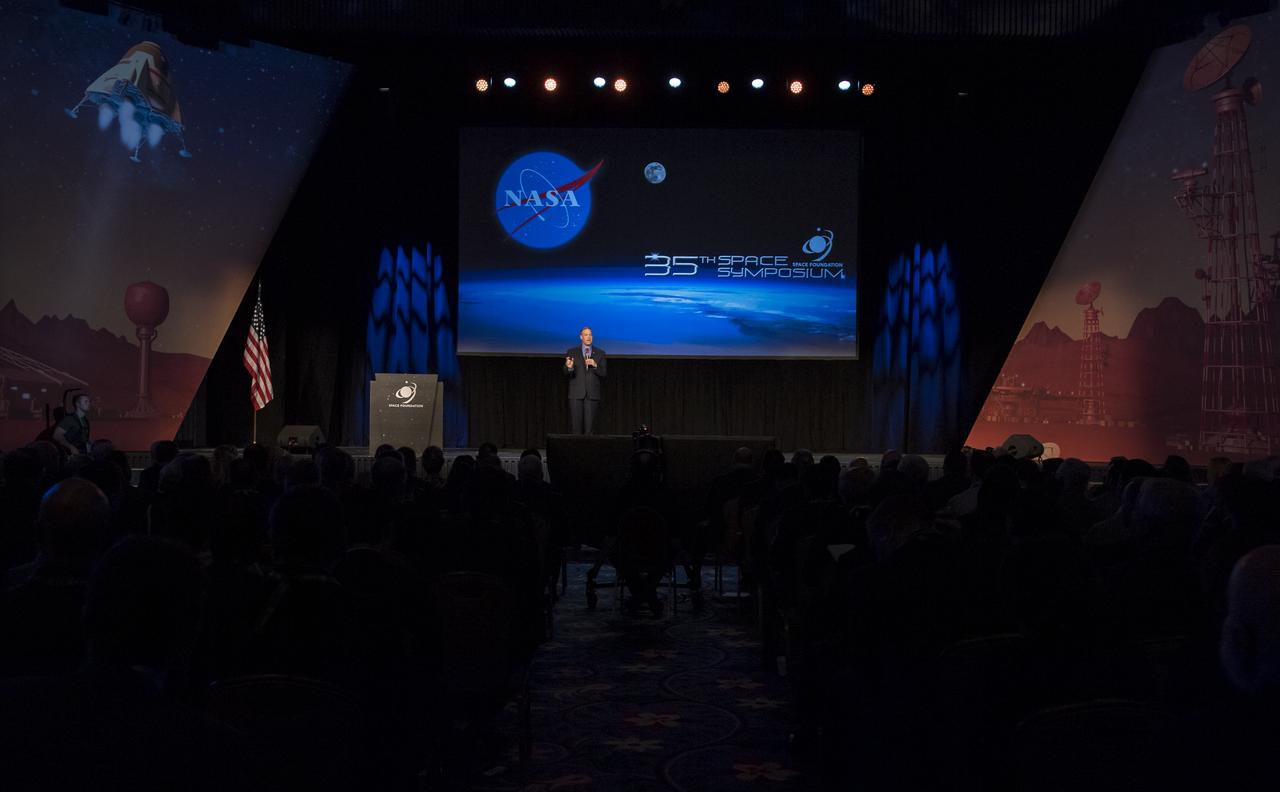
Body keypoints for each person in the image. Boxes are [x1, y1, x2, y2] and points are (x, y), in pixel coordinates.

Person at [564, 326, 607, 435]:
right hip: (576, 395)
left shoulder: (600, 353)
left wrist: (595, 365)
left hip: (592, 396)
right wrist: (569, 367)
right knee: (576, 429)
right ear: (581, 337)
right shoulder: (572, 352)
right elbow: (566, 372)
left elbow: (604, 373)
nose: (588, 337)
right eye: (586, 335)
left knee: (590, 430)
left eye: (590, 335)